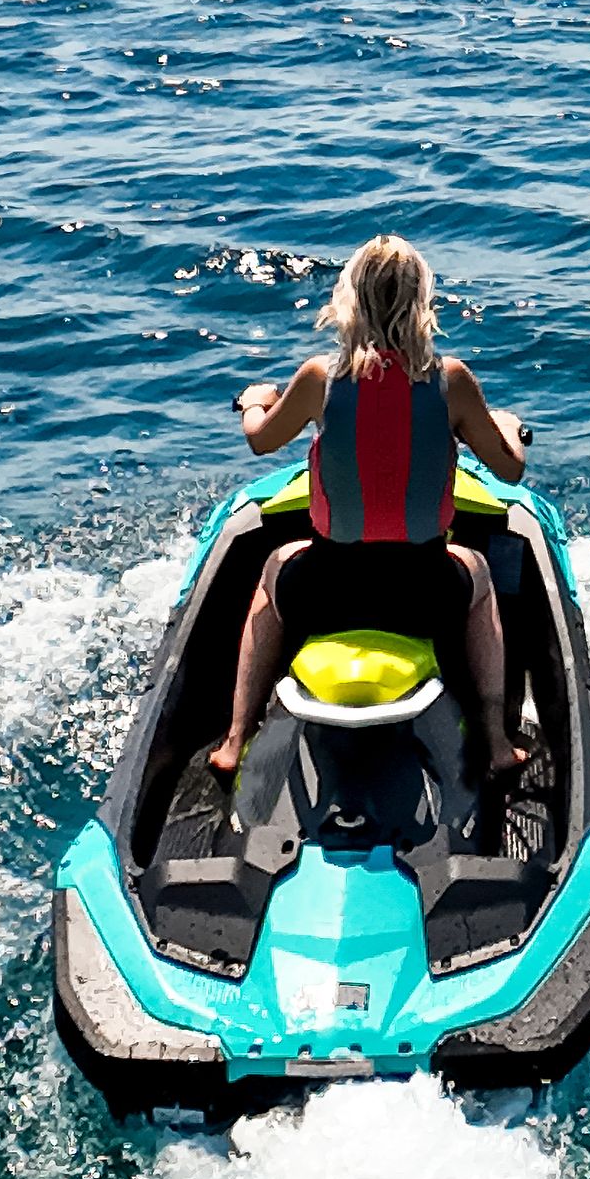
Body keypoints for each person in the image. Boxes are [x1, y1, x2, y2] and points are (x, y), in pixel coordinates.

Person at [207, 235, 531, 806]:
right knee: (477, 573)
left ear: (349, 300)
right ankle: (498, 742)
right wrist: (504, 426)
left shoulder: (318, 379)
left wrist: (258, 400)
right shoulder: (451, 380)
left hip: (326, 590)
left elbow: (261, 442)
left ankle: (235, 741)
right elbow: (510, 472)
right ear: (421, 302)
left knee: (271, 571)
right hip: (424, 593)